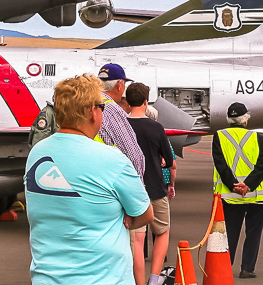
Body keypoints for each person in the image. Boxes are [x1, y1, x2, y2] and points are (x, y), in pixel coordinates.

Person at [25, 75, 154, 285]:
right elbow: (145, 214)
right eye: (101, 107)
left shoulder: (37, 154)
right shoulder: (112, 160)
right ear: (91, 111)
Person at [212, 102, 263, 279]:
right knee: (253, 233)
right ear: (246, 120)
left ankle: (225, 266)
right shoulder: (259, 138)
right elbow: (261, 167)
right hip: (258, 195)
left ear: (229, 120)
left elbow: (221, 165)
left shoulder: (219, 136)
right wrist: (248, 185)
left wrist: (233, 185)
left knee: (230, 232)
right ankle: (247, 268)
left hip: (231, 196)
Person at [125, 83, 177, 285]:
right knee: (162, 231)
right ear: (146, 103)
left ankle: (138, 282)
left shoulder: (123, 127)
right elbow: (169, 160)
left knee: (137, 240)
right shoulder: (156, 128)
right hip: (155, 187)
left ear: (127, 103)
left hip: (132, 189)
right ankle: (154, 279)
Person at [96, 64, 145, 178]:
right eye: (124, 84)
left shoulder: (87, 104)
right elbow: (133, 155)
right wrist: (138, 184)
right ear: (119, 85)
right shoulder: (112, 110)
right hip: (112, 177)